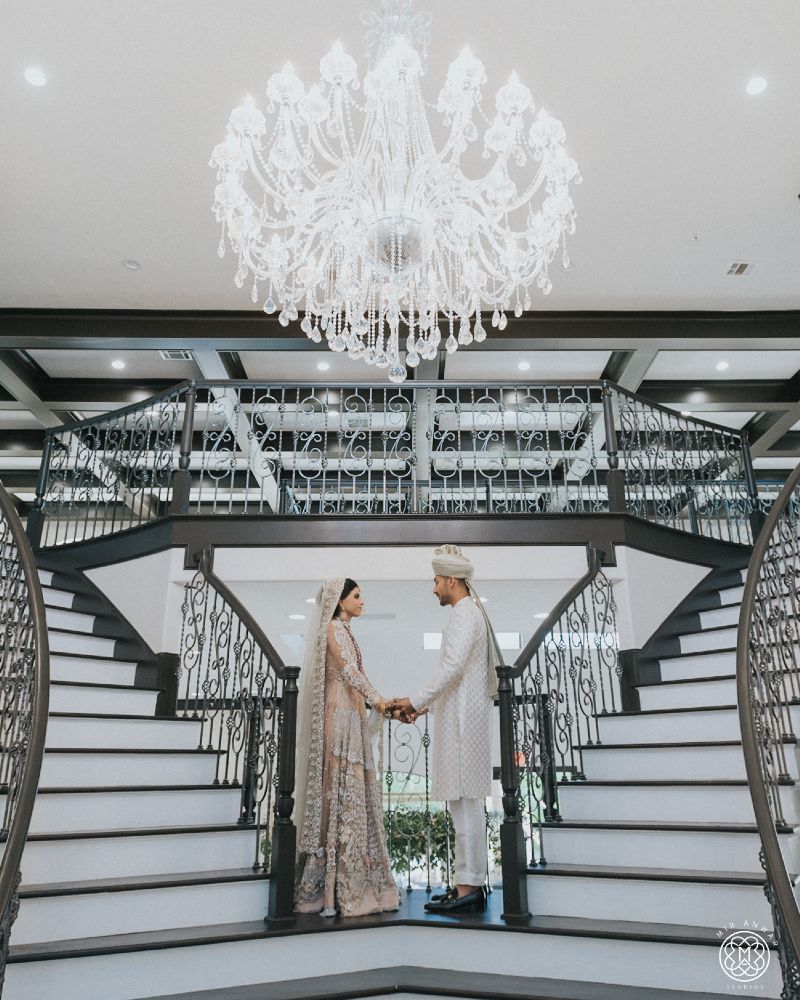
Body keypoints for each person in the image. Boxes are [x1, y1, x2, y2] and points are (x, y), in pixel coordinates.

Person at [389, 544, 500, 914]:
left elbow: (451, 669)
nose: (434, 587)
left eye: (437, 580)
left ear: (452, 580)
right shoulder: (466, 613)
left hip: (464, 723)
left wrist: (415, 701)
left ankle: (469, 887)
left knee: (465, 806)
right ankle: (465, 884)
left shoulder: (464, 614)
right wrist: (424, 707)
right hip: (460, 716)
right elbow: (457, 676)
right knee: (461, 805)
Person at [294, 577, 400, 918]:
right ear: (340, 601)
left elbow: (357, 676)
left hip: (350, 711)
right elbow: (350, 673)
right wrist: (380, 701)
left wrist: (381, 703)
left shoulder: (345, 630)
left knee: (351, 791)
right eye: (356, 595)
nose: (362, 600)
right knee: (340, 791)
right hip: (339, 714)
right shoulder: (333, 629)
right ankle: (331, 891)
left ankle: (350, 883)